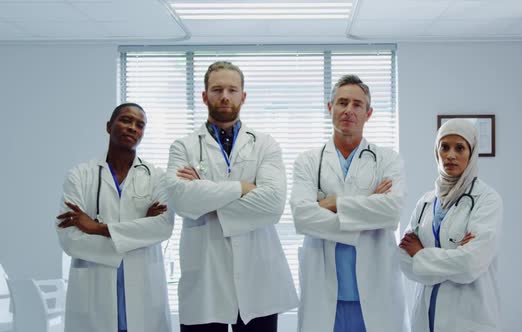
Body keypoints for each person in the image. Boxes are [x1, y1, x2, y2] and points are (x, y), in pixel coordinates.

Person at [165, 61, 298, 332]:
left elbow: (273, 204)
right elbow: (181, 200)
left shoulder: (265, 143)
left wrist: (206, 195)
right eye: (217, 89)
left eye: (232, 89)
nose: (224, 96)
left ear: (243, 96)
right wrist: (242, 187)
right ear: (204, 96)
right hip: (205, 276)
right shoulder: (184, 146)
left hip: (257, 277)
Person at [290, 74, 408, 332]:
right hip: (324, 294)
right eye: (342, 103)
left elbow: (391, 213)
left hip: (375, 290)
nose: (349, 111)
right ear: (329, 107)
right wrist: (367, 207)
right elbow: (302, 216)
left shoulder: (388, 160)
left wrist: (332, 203)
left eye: (357, 104)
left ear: (369, 113)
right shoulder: (308, 161)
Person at [56, 103, 174, 332]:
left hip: (143, 292)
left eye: (140, 125)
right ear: (109, 126)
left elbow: (162, 227)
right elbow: (69, 237)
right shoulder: (80, 176)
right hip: (95, 292)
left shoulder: (156, 177)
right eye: (125, 120)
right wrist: (138, 232)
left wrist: (97, 228)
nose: (132, 128)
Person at [399, 118, 503, 332]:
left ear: (471, 153)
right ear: (436, 152)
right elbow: (403, 260)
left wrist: (421, 255)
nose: (451, 155)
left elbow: (470, 263)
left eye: (460, 148)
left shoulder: (487, 199)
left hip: (468, 318)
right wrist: (454, 258)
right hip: (425, 317)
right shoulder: (426, 202)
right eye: (444, 147)